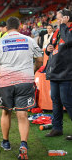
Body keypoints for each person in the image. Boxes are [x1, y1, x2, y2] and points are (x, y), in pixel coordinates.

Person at [0, 17, 43, 159]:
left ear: (7, 27)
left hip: (6, 82)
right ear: (19, 26)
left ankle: (6, 142)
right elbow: (40, 59)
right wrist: (33, 70)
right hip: (25, 81)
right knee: (22, 114)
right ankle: (23, 144)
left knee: (6, 113)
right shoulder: (29, 40)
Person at [45, 9, 72, 140]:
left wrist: (63, 26)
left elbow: (68, 41)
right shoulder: (57, 31)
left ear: (66, 18)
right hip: (55, 72)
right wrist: (47, 49)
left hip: (67, 73)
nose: (57, 20)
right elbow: (52, 47)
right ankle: (57, 128)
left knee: (68, 101)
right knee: (56, 101)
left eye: (59, 18)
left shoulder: (69, 30)